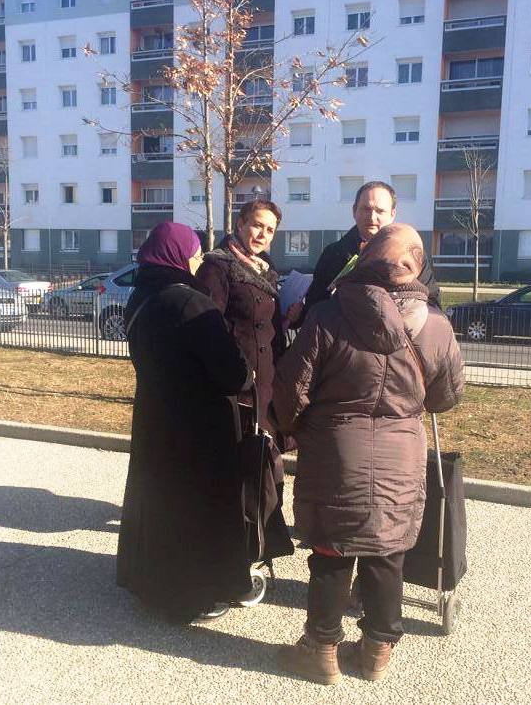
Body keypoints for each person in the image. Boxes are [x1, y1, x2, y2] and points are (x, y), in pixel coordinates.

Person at [271, 224, 464, 684]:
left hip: (336, 451)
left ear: (366, 259)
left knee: (331, 551)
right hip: (402, 453)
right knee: (387, 551)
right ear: (417, 268)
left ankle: (320, 651)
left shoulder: (327, 315)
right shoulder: (436, 326)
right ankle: (377, 651)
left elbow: (291, 390)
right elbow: (446, 397)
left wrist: (296, 427)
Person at [117, 221, 254, 623]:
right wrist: (249, 372)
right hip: (197, 425)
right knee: (195, 508)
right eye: (194, 253)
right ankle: (191, 594)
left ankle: (149, 583)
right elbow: (232, 374)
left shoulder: (140, 297)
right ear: (177, 255)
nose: (197, 261)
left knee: (157, 500)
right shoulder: (192, 304)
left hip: (154, 416)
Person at [197, 199, 302, 438]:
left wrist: (290, 317)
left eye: (270, 230)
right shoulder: (217, 266)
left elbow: (265, 321)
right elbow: (209, 329)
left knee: (262, 452)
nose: (263, 235)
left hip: (267, 380)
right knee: (241, 452)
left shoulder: (266, 268)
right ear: (240, 224)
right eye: (257, 225)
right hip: (238, 384)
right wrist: (240, 372)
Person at [300, 181, 441, 322]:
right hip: (342, 333)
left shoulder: (412, 255)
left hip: (397, 333)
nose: (372, 217)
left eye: (380, 211)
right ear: (354, 211)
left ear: (392, 214)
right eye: (366, 209)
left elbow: (433, 304)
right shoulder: (332, 254)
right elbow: (314, 305)